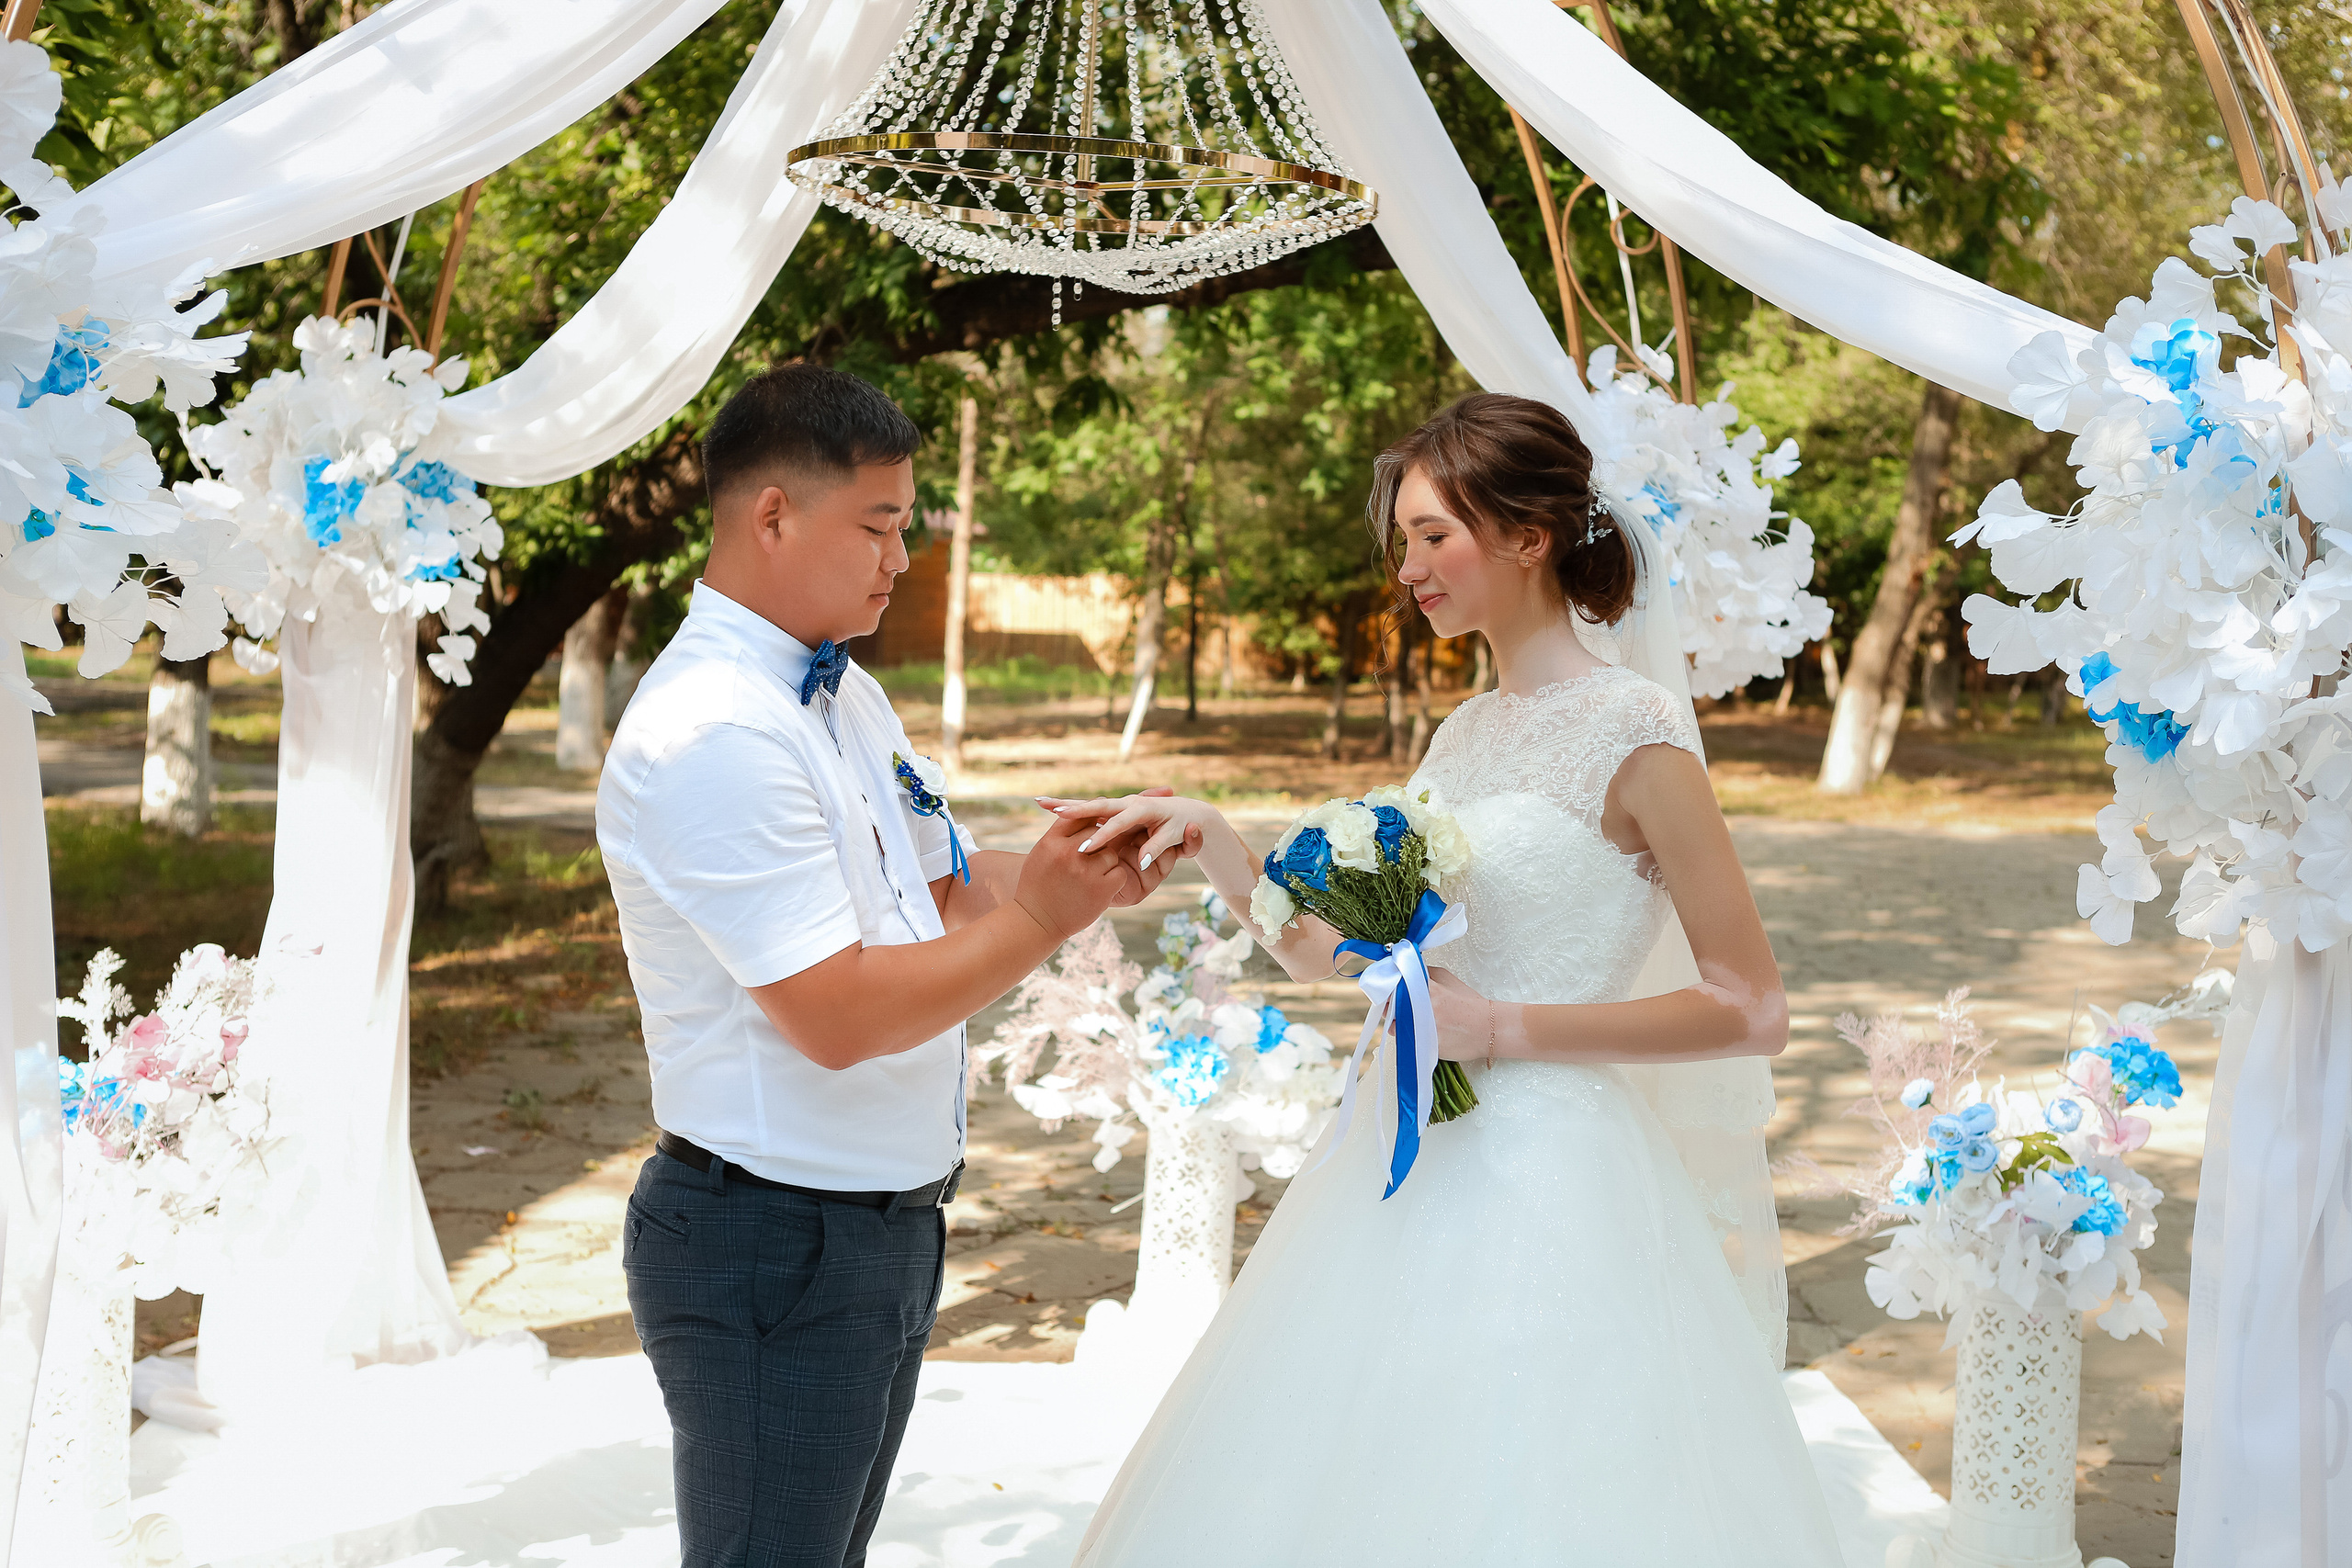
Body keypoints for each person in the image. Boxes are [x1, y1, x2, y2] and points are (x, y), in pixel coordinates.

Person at [1042, 392, 1844, 1563]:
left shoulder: (1640, 735)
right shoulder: (1462, 736)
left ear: (1529, 536)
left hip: (1560, 1181)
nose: (1409, 567)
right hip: (1403, 1150)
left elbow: (1750, 1007)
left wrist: (1499, 1029)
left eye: (1434, 536)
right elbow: (1371, 970)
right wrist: (1218, 841)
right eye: (1404, 541)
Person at [596, 365, 1170, 1568]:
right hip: (773, 1231)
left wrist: (1088, 856)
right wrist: (1046, 923)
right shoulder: (715, 732)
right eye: (880, 525)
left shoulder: (838, 690)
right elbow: (840, 1014)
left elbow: (947, 885)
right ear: (771, 515)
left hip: (872, 1223)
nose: (900, 558)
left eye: (905, 525)